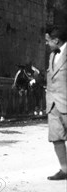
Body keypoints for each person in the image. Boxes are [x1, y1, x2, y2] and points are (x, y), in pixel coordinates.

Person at [44, 26, 67, 180]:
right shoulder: (52, 55)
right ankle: (65, 170)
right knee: (56, 138)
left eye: (48, 40)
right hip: (52, 104)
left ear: (56, 40)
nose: (46, 44)